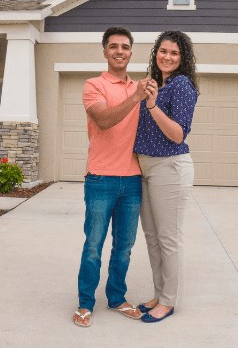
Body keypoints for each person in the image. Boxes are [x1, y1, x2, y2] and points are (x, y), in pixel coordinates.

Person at [73, 26, 157, 328]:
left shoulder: (141, 88)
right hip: (100, 179)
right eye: (113, 46)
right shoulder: (93, 85)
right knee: (93, 244)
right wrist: (135, 97)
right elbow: (104, 120)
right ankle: (85, 303)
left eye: (124, 46)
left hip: (133, 180)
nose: (119, 51)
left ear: (131, 51)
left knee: (124, 246)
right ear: (105, 51)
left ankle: (117, 298)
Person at [133, 30, 198, 323]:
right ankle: (159, 294)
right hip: (145, 167)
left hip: (169, 166)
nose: (167, 57)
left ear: (182, 58)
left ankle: (169, 301)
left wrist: (151, 105)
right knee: (152, 237)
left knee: (168, 238)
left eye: (174, 53)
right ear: (155, 52)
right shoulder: (154, 84)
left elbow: (177, 134)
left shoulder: (182, 85)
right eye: (163, 51)